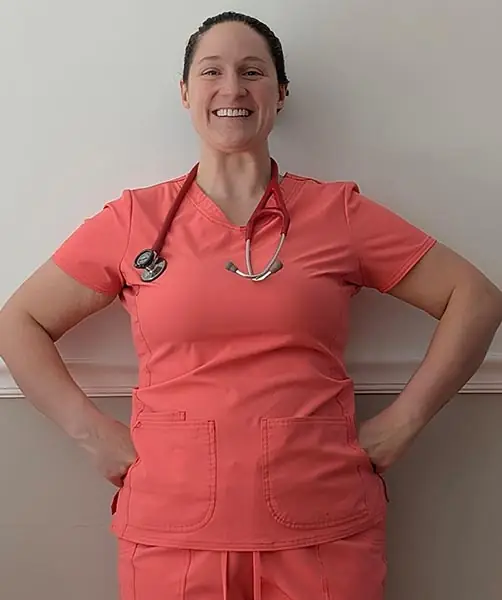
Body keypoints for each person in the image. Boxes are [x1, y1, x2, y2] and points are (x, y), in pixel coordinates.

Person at [0, 10, 501, 600]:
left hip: (323, 526)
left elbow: (475, 298)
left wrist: (403, 423)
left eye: (253, 72)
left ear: (281, 94)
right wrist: (90, 432)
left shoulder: (338, 214)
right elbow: (18, 323)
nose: (232, 88)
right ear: (185, 93)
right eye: (211, 72)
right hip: (172, 531)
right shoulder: (134, 220)